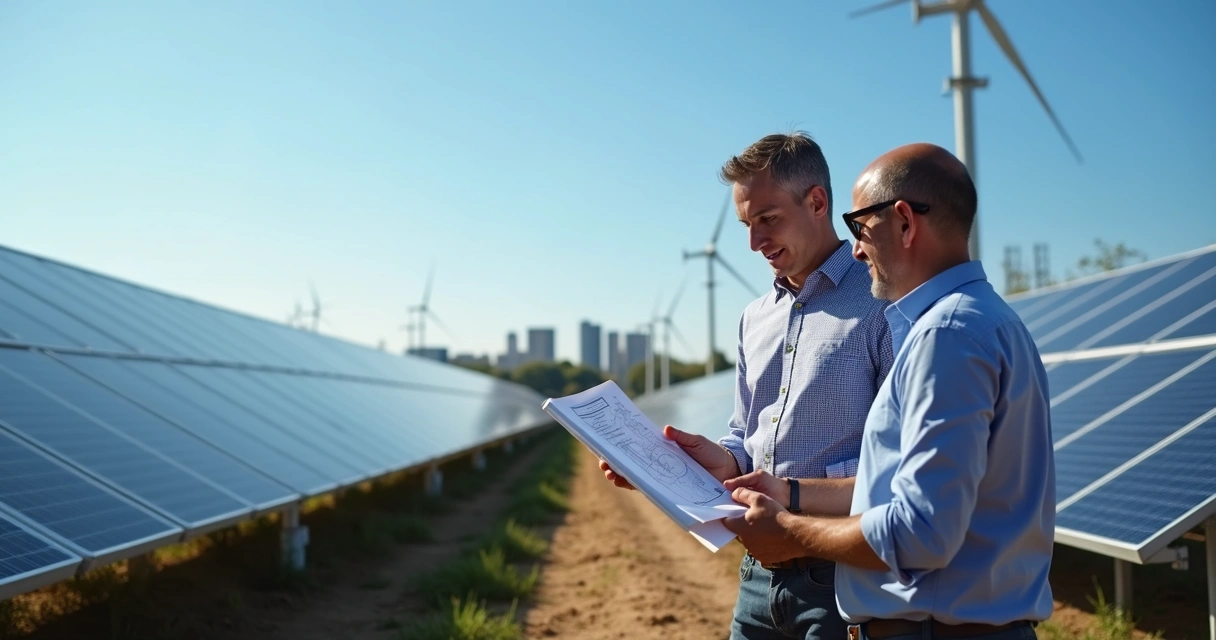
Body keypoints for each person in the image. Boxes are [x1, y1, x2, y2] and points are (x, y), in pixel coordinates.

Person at [721, 142, 1055, 640]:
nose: (856, 247)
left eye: (862, 227)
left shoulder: (948, 335)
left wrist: (788, 529)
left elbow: (920, 533)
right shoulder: (980, 322)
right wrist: (777, 489)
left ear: (903, 222)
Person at [600, 131, 893, 640]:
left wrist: (791, 498)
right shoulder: (753, 319)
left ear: (817, 202)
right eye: (745, 224)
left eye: (767, 219)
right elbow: (745, 433)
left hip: (842, 582)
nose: (754, 242)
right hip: (757, 580)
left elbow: (898, 465)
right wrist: (704, 461)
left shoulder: (883, 303)